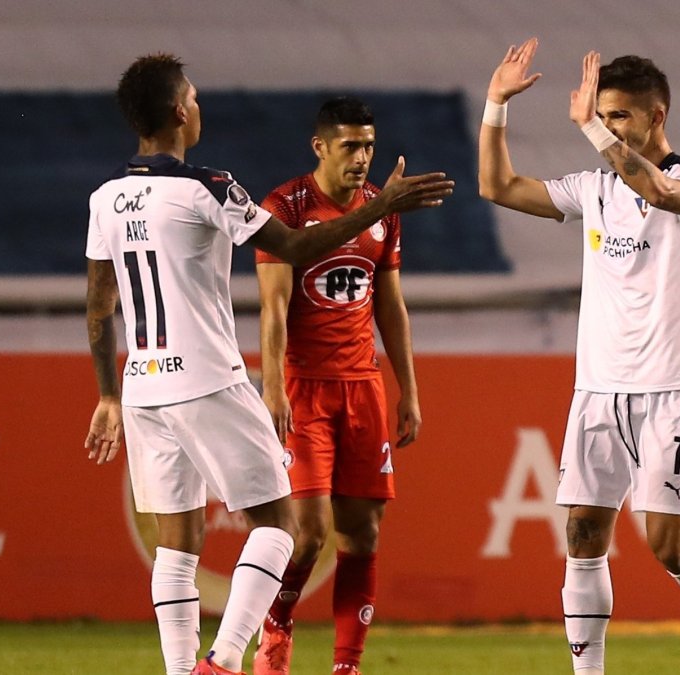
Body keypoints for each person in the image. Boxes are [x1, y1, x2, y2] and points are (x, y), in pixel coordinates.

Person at [83, 54, 451, 675]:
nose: (199, 107)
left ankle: (182, 671)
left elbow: (98, 306)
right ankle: (224, 661)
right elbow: (299, 243)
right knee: (280, 526)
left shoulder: (106, 197)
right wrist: (379, 205)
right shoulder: (208, 186)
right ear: (179, 111)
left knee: (178, 548)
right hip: (206, 379)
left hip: (141, 386)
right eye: (194, 98)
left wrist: (107, 396)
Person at [477, 38, 680, 675]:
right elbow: (495, 185)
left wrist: (584, 129)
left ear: (657, 115)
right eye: (601, 116)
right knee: (583, 535)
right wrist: (496, 104)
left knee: (670, 547)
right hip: (599, 389)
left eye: (619, 117)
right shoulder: (594, 189)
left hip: (672, 389)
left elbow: (660, 193)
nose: (608, 128)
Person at [251, 97, 420, 675]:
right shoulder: (284, 207)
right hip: (304, 386)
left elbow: (390, 306)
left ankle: (346, 666)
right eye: (350, 146)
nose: (362, 158)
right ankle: (278, 620)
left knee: (364, 532)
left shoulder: (383, 208)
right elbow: (272, 309)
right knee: (309, 533)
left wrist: (409, 391)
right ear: (320, 146)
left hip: (363, 387)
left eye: (369, 146)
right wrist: (272, 387)